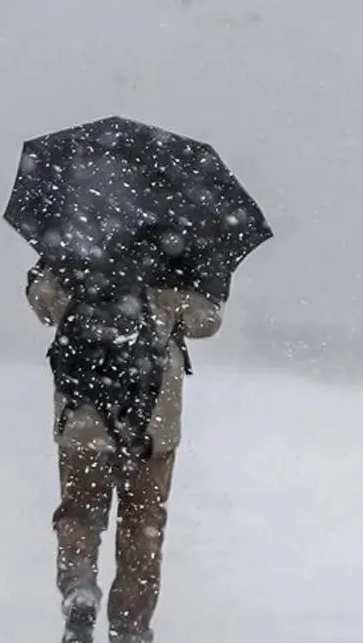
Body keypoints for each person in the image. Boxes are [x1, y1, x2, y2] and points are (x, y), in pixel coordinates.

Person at [26, 250, 223, 643]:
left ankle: (78, 586)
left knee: (79, 513)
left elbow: (44, 304)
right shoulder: (173, 256)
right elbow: (207, 321)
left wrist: (43, 272)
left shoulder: (74, 248)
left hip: (83, 421)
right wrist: (200, 285)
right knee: (142, 525)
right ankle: (131, 628)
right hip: (151, 425)